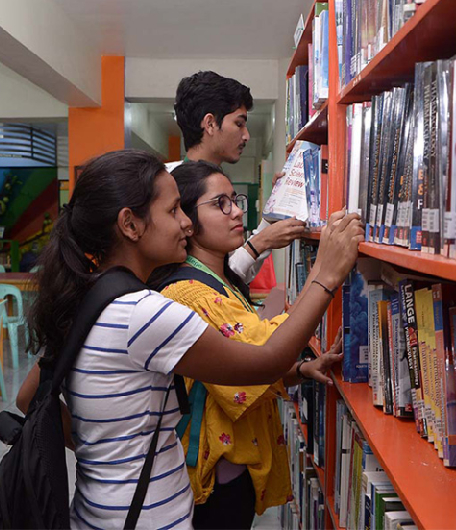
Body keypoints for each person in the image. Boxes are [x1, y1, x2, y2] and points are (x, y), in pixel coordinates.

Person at [17, 150, 363, 530]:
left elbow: (29, 395)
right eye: (172, 212)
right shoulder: (143, 313)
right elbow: (266, 359)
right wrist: (326, 273)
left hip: (98, 512)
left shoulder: (93, 296)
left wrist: (104, 453)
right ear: (130, 225)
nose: (186, 223)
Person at [150, 160, 348, 529]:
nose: (238, 210)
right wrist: (325, 272)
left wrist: (301, 368)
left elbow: (241, 358)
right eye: (220, 203)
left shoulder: (219, 281)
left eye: (235, 199)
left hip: (233, 473)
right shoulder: (188, 292)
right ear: (187, 221)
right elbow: (263, 355)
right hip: (213, 487)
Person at [168, 70, 307, 284]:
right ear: (211, 124)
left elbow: (238, 274)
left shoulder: (220, 182)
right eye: (239, 123)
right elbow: (206, 281)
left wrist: (271, 217)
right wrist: (259, 243)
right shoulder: (166, 188)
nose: (246, 136)